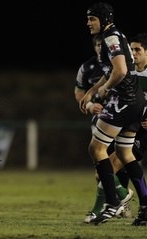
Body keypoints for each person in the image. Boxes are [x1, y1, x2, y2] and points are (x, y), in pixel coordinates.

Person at [80, 2, 147, 225]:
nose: (88, 23)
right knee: (125, 153)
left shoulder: (110, 37)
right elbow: (112, 70)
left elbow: (120, 70)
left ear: (104, 19)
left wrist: (105, 89)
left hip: (123, 100)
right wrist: (91, 90)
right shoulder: (115, 34)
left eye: (92, 19)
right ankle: (145, 205)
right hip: (135, 99)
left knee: (96, 148)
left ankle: (112, 201)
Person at [75, 35, 133, 223]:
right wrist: (91, 106)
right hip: (103, 120)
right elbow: (79, 93)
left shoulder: (120, 62)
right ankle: (120, 200)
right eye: (98, 45)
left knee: (118, 162)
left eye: (103, 44)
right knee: (101, 167)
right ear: (95, 47)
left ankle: (110, 204)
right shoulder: (87, 68)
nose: (102, 47)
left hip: (123, 116)